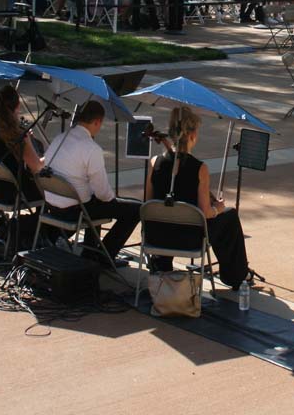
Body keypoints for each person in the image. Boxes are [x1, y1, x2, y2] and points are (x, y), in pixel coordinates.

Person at [144, 106, 249, 287]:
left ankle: (161, 263)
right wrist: (219, 208)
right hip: (189, 239)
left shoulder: (155, 162)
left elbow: (148, 202)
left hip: (156, 236)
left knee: (168, 214)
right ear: (192, 135)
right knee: (229, 216)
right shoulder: (200, 168)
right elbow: (205, 212)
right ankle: (235, 275)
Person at [42, 101, 141, 263]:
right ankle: (105, 256)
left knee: (92, 198)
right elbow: (104, 194)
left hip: (52, 205)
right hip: (74, 210)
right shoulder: (91, 148)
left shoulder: (60, 138)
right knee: (135, 209)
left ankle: (90, 250)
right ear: (97, 122)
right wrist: (112, 197)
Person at [0, 84, 43, 205]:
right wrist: (52, 156)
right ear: (18, 106)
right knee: (54, 191)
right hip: (18, 191)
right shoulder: (18, 134)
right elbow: (36, 166)